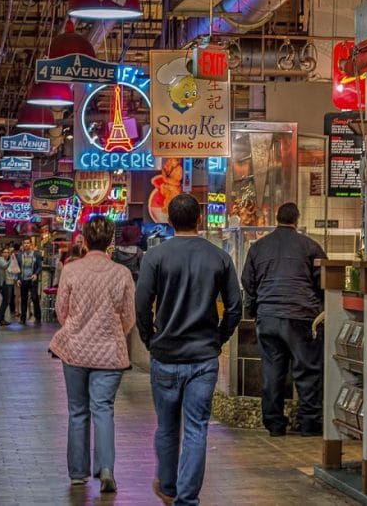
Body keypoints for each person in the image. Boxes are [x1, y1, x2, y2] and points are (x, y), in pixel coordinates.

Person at [136, 194, 242, 506]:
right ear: (199, 220)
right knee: (197, 429)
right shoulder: (219, 257)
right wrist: (218, 339)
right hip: (203, 357)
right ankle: (187, 499)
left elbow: (141, 305)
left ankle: (168, 487)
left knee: (167, 427)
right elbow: (235, 307)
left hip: (166, 355)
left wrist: (149, 339)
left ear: (169, 221)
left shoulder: (155, 257)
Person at [49, 216, 136, 493]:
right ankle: (106, 468)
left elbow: (61, 312)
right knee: (104, 409)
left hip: (75, 350)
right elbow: (129, 317)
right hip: (110, 353)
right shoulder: (121, 274)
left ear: (84, 240)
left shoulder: (71, 271)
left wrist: (77, 328)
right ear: (111, 241)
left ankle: (77, 473)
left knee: (77, 411)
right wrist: (112, 333)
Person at [240, 202, 328, 437]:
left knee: (272, 372)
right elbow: (326, 282)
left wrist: (257, 305)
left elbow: (247, 281)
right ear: (297, 220)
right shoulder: (310, 246)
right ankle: (309, 424)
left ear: (277, 218)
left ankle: (274, 424)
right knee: (307, 371)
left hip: (268, 318)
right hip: (301, 316)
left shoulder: (258, 247)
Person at [17, 237, 43, 325]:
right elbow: (17, 268)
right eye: (25, 243)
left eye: (28, 243)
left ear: (31, 244)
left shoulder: (36, 255)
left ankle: (38, 317)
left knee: (34, 298)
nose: (26, 244)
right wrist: (18, 279)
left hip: (32, 280)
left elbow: (40, 266)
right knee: (23, 299)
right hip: (23, 280)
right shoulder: (20, 255)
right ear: (23, 244)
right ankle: (23, 318)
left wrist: (36, 274)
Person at [0, 246, 18, 326]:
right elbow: (4, 266)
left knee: (6, 301)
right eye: (4, 252)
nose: (6, 254)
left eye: (7, 252)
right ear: (1, 253)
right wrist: (11, 259)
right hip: (4, 283)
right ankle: (0, 319)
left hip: (9, 282)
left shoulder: (6, 260)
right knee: (5, 301)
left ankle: (1, 318)